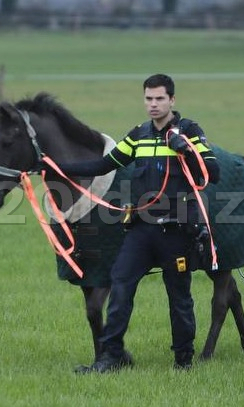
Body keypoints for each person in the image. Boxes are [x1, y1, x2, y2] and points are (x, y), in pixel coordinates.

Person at [47, 74, 220, 373]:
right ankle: (111, 356)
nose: (153, 105)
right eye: (148, 99)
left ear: (172, 100)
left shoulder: (189, 131)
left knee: (179, 296)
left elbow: (211, 173)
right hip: (141, 230)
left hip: (176, 230)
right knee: (120, 285)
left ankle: (183, 360)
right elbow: (104, 164)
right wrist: (56, 166)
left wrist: (187, 151)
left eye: (159, 99)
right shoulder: (138, 135)